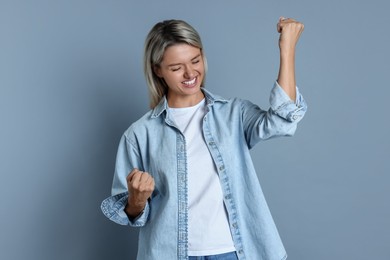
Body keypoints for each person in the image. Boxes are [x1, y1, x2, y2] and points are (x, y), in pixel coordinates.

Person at [101, 17, 307, 260]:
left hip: (233, 252)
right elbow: (129, 211)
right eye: (176, 68)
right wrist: (137, 199)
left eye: (195, 61)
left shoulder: (234, 114)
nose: (190, 73)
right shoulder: (139, 134)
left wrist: (287, 49)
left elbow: (283, 120)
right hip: (170, 254)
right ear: (158, 70)